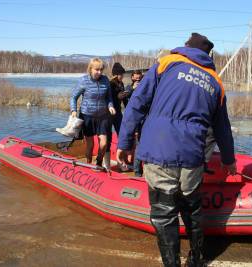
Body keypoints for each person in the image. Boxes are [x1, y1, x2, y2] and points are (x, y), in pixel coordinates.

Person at [117, 33, 236, 266]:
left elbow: (137, 103)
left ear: (186, 47)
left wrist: (124, 142)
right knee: (192, 207)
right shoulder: (215, 81)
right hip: (193, 156)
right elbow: (223, 127)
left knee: (163, 213)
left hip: (160, 149)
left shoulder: (167, 63)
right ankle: (196, 258)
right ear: (208, 55)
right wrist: (229, 159)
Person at [70, 58, 116, 167]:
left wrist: (110, 106)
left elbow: (109, 97)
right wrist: (73, 110)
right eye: (97, 69)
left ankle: (99, 162)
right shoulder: (83, 81)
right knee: (90, 145)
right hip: (87, 116)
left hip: (103, 116)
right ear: (90, 69)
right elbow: (73, 97)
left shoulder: (105, 80)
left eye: (101, 70)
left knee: (104, 143)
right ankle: (89, 163)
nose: (99, 72)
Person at [101, 62, 127, 170]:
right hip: (109, 114)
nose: (123, 76)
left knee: (122, 136)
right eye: (121, 74)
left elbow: (124, 100)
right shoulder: (110, 84)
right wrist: (119, 96)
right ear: (116, 74)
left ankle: (120, 161)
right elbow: (108, 98)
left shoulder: (121, 84)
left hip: (118, 114)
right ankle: (106, 163)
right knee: (109, 137)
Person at [125, 70, 144, 176]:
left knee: (140, 144)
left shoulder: (146, 87)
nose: (138, 81)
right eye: (136, 79)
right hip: (133, 119)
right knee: (137, 144)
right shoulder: (129, 88)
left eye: (140, 79)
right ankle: (137, 171)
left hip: (144, 118)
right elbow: (124, 96)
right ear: (132, 78)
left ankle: (140, 168)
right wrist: (133, 89)